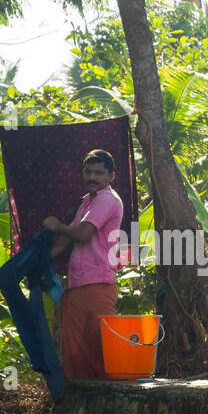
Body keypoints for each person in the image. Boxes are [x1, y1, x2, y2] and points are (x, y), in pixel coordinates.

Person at [44, 148, 123, 379]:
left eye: (99, 173)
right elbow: (66, 241)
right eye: (88, 172)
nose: (92, 178)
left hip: (97, 283)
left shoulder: (107, 199)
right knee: (77, 353)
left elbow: (81, 234)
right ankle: (83, 408)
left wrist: (57, 225)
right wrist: (37, 258)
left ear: (111, 177)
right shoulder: (87, 203)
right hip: (79, 285)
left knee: (101, 350)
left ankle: (111, 403)